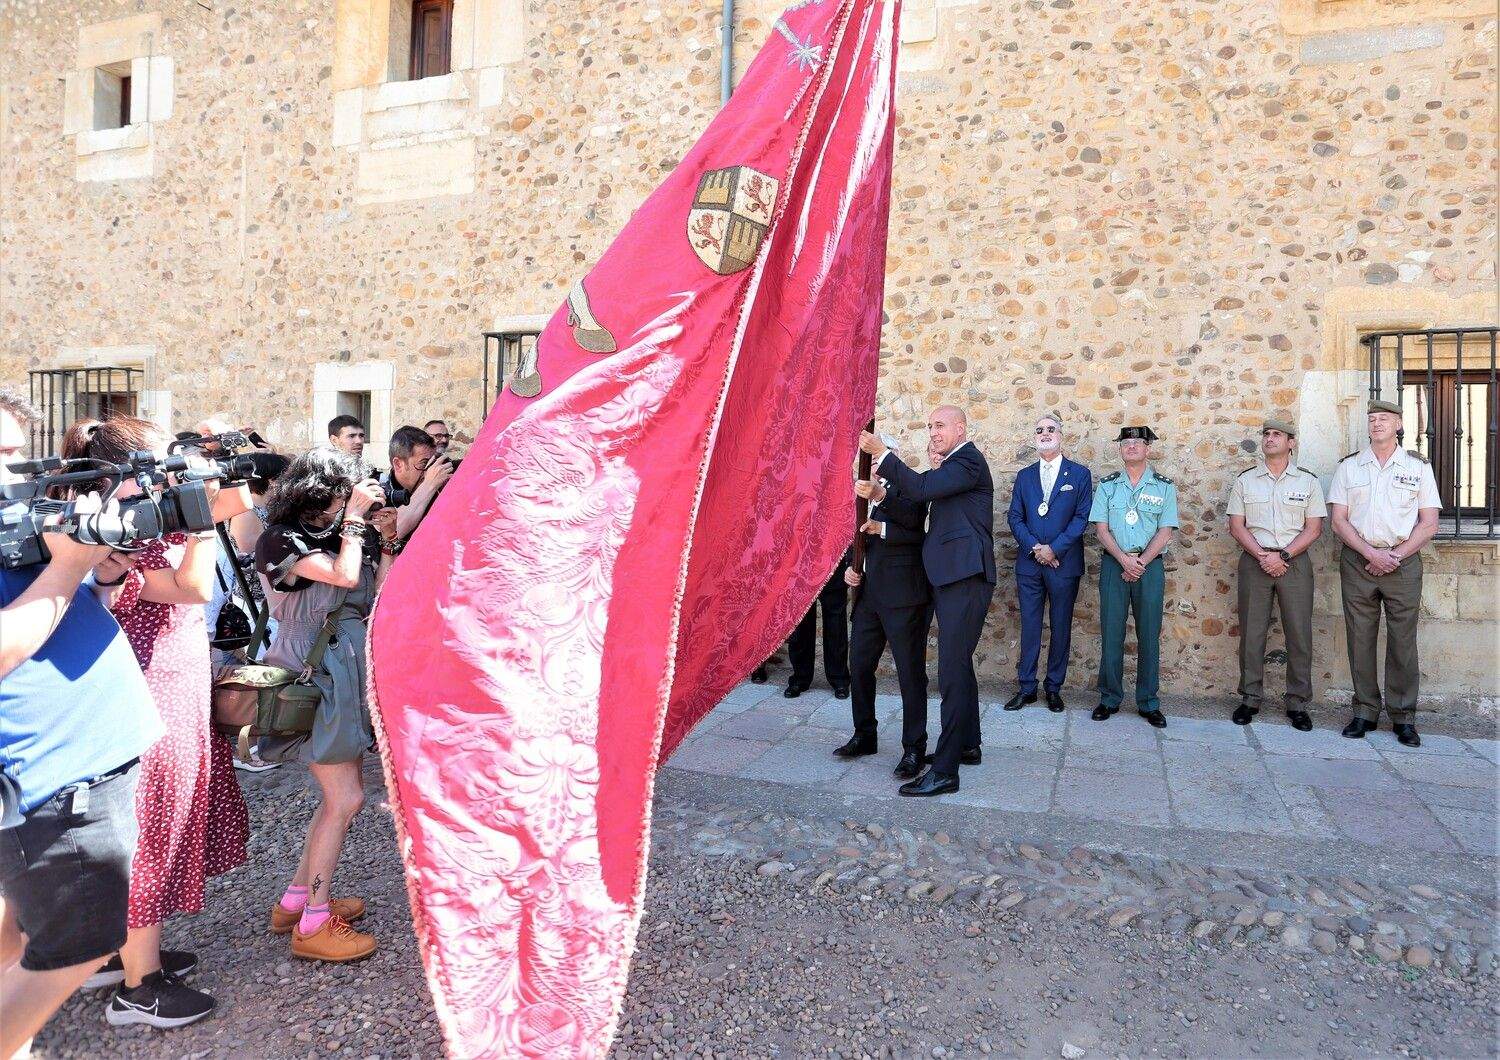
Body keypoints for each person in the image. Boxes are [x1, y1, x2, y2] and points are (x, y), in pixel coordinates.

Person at [64, 417, 251, 1031]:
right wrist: (198, 522)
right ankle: (138, 989)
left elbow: (236, 502)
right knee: (149, 829)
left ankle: (123, 955)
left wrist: (219, 469)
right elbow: (194, 586)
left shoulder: (139, 518)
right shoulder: (120, 534)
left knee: (154, 823)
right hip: (149, 695)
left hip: (165, 686)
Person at [0, 391, 163, 1058]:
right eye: (1, 456)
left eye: (15, 453)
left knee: (19, 927)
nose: (14, 473)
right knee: (79, 942)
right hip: (51, 778)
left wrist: (92, 573)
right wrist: (68, 566)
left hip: (76, 766)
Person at [256, 449, 396, 962]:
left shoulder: (335, 534)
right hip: (312, 677)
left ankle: (296, 902)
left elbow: (373, 589)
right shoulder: (280, 539)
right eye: (346, 492)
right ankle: (314, 924)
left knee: (340, 797)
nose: (349, 500)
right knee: (346, 799)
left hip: (342, 675)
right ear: (323, 490)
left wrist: (386, 534)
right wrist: (356, 522)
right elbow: (343, 577)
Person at [861, 405, 994, 798]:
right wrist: (884, 493)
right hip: (949, 578)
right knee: (959, 667)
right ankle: (968, 744)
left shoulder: (968, 461)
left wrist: (882, 454)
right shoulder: (949, 469)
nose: (932, 432)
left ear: (961, 428)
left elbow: (920, 489)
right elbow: (919, 501)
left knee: (950, 673)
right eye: (929, 426)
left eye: (939, 425)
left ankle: (945, 772)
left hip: (965, 577)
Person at [1327, 400, 1440, 746]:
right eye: (1372, 419)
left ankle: (1404, 716)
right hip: (1359, 560)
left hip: (1403, 563)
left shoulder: (1417, 467)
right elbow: (1338, 520)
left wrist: (1394, 555)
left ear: (1399, 424)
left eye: (1384, 419)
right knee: (1360, 637)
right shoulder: (1350, 467)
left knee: (1403, 640)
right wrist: (1371, 553)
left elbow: (1429, 522)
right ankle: (1364, 711)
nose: (1377, 424)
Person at [1225, 418, 1326, 731]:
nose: (1270, 439)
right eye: (1266, 434)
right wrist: (1262, 556)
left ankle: (1297, 702)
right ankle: (1250, 698)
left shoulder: (1307, 482)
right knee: (1252, 633)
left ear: (1291, 443)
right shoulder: (1246, 480)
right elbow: (1236, 525)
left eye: (1277, 435)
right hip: (1255, 560)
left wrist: (1282, 556)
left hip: (1293, 561)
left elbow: (1314, 528)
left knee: (1299, 634)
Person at [837, 472, 931, 780]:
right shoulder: (864, 493)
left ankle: (914, 749)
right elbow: (858, 535)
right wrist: (852, 568)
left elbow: (916, 527)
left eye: (879, 457)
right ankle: (865, 734)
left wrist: (881, 508)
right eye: (871, 459)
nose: (874, 464)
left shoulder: (910, 487)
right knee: (859, 665)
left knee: (910, 674)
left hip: (903, 596)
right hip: (868, 597)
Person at [1089, 425, 1178, 728]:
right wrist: (1124, 560)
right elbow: (1101, 529)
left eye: (1138, 443)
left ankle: (1148, 702)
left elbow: (1165, 530)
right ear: (1120, 449)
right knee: (1111, 633)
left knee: (1149, 635)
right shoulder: (1108, 485)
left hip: (1149, 566)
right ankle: (1109, 698)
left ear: (1148, 449)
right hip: (1116, 563)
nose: (1131, 447)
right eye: (1126, 443)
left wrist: (1139, 562)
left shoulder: (1164, 486)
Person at [1004, 413, 1093, 714]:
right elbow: (1014, 517)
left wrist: (1054, 549)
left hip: (1063, 564)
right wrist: (1035, 548)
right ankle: (1026, 686)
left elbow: (1082, 518)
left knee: (1060, 625)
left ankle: (1053, 687)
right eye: (1039, 429)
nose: (1044, 433)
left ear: (1061, 434)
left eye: (1051, 429)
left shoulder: (1079, 474)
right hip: (1030, 564)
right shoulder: (1025, 475)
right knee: (1030, 625)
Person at [784, 551, 852, 699]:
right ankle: (800, 677)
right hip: (800, 563)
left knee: (836, 626)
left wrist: (850, 561)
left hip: (832, 559)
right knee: (800, 625)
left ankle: (839, 679)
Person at [383, 425, 455, 542]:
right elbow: (391, 534)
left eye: (432, 462)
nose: (430, 470)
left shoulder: (434, 488)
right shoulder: (381, 493)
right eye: (424, 464)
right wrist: (429, 485)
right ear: (398, 464)